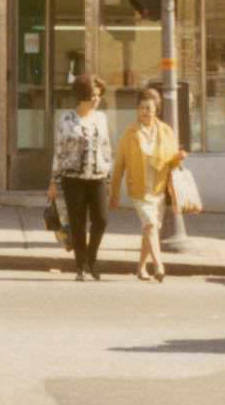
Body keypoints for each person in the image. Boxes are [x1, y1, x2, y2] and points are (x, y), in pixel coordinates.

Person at [109, 88, 186, 282]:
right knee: (151, 225)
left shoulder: (166, 131)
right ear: (137, 110)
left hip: (158, 189)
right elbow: (119, 165)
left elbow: (172, 163)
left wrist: (179, 158)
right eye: (142, 108)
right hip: (139, 190)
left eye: (149, 108)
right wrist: (114, 193)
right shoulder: (130, 133)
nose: (145, 112)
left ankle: (141, 268)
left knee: (149, 229)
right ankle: (159, 265)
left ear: (156, 110)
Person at [49, 74, 112, 281]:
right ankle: (80, 266)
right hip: (73, 178)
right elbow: (59, 151)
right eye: (92, 95)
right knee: (77, 223)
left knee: (101, 220)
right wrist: (53, 181)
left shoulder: (101, 118)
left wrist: (109, 176)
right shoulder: (66, 120)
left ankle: (91, 257)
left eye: (98, 95)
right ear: (82, 96)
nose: (96, 99)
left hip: (97, 177)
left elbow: (106, 148)